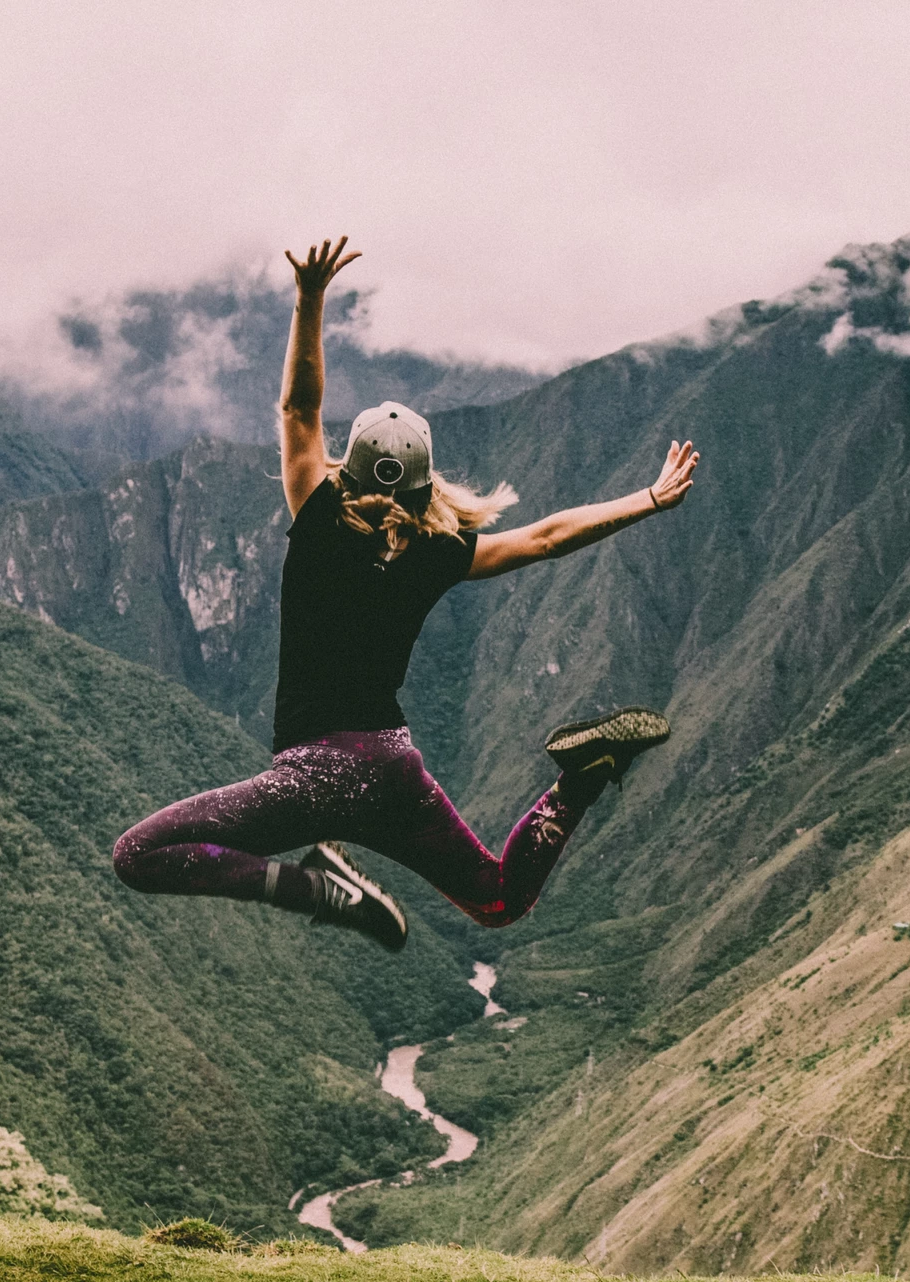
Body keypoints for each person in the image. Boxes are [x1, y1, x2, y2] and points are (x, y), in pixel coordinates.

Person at [112, 236, 698, 950]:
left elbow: (300, 408)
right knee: (498, 899)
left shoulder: (321, 517)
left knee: (139, 856)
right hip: (393, 768)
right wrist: (648, 498)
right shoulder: (438, 550)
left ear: (347, 469)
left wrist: (309, 297)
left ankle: (316, 890)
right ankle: (578, 782)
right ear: (427, 483)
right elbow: (546, 537)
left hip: (314, 776)